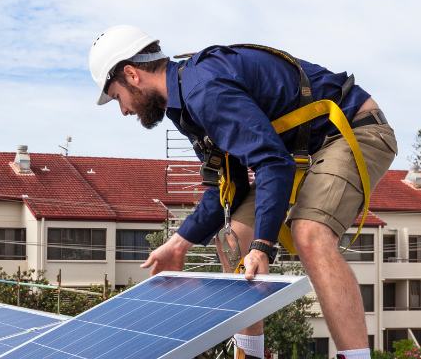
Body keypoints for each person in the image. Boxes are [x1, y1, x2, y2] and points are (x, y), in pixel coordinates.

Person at [89, 25, 396, 359]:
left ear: (132, 74)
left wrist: (262, 246)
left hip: (352, 129)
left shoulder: (204, 89)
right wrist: (181, 243)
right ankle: (250, 354)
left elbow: (272, 163)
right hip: (297, 153)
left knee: (309, 233)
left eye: (118, 97)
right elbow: (228, 187)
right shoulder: (186, 103)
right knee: (232, 237)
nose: (123, 110)